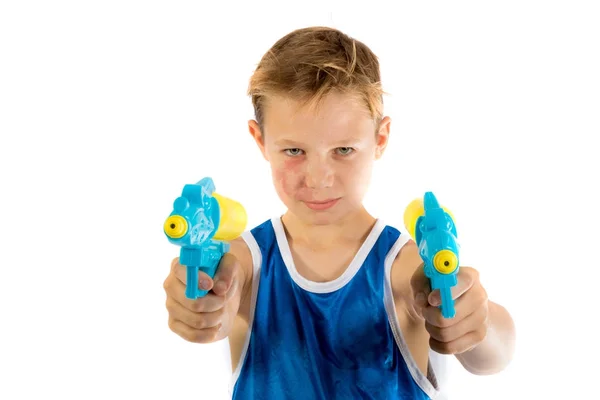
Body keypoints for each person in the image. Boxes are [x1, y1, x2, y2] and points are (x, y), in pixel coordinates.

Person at [162, 26, 516, 399]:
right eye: (294, 151)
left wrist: (476, 319)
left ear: (380, 139)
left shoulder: (406, 267)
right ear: (260, 140)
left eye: (343, 150)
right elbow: (216, 296)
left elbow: (495, 356)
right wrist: (199, 302)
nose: (318, 179)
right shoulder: (244, 264)